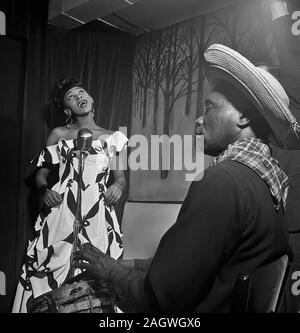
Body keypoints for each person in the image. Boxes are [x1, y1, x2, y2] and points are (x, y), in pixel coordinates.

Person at [75, 44, 300, 313]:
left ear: (244, 117)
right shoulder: (263, 183)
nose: (198, 120)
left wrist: (111, 273)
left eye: (210, 107)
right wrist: (130, 265)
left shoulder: (223, 182)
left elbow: (157, 299)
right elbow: (203, 265)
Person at [12, 78, 128, 313]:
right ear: (67, 109)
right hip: (63, 211)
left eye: (81, 92)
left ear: (92, 99)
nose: (79, 97)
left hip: (97, 212)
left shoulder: (113, 137)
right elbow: (40, 175)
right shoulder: (59, 134)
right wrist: (46, 190)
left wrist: (118, 187)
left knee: (96, 275)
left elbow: (121, 178)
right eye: (71, 97)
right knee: (51, 268)